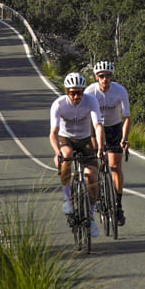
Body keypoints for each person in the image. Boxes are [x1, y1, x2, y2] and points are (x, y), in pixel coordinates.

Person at [49, 71, 105, 238]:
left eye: (79, 92)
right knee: (67, 154)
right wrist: (57, 152)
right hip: (66, 138)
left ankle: (91, 216)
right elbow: (53, 133)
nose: (76, 96)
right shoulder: (59, 105)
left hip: (84, 138)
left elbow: (98, 126)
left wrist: (100, 147)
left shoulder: (91, 101)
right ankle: (67, 198)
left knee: (92, 177)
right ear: (67, 92)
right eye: (72, 93)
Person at [85, 60, 131, 225]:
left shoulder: (120, 91)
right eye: (102, 76)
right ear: (97, 77)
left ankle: (118, 205)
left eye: (108, 76)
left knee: (115, 166)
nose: (105, 79)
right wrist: (94, 142)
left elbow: (126, 118)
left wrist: (124, 138)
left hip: (113, 128)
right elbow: (87, 118)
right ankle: (96, 196)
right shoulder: (90, 92)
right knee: (93, 167)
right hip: (93, 127)